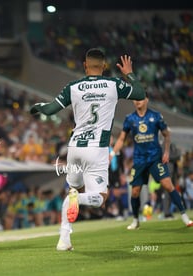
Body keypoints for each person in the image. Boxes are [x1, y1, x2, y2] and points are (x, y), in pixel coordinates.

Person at [30, 48, 146, 250]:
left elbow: (49, 110)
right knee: (100, 198)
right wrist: (129, 74)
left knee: (72, 189)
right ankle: (79, 200)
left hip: (74, 149)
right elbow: (140, 93)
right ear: (104, 66)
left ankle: (64, 240)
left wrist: (37, 106)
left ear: (85, 65)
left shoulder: (73, 87)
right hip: (97, 149)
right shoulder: (113, 85)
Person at [111, 94, 193, 229]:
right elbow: (121, 139)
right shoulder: (130, 119)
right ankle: (136, 220)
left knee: (168, 185)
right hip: (139, 160)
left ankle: (185, 217)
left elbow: (167, 134)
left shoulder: (156, 116)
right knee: (135, 191)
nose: (138, 101)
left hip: (155, 158)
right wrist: (113, 153)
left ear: (147, 100)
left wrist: (166, 152)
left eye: (141, 98)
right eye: (135, 99)